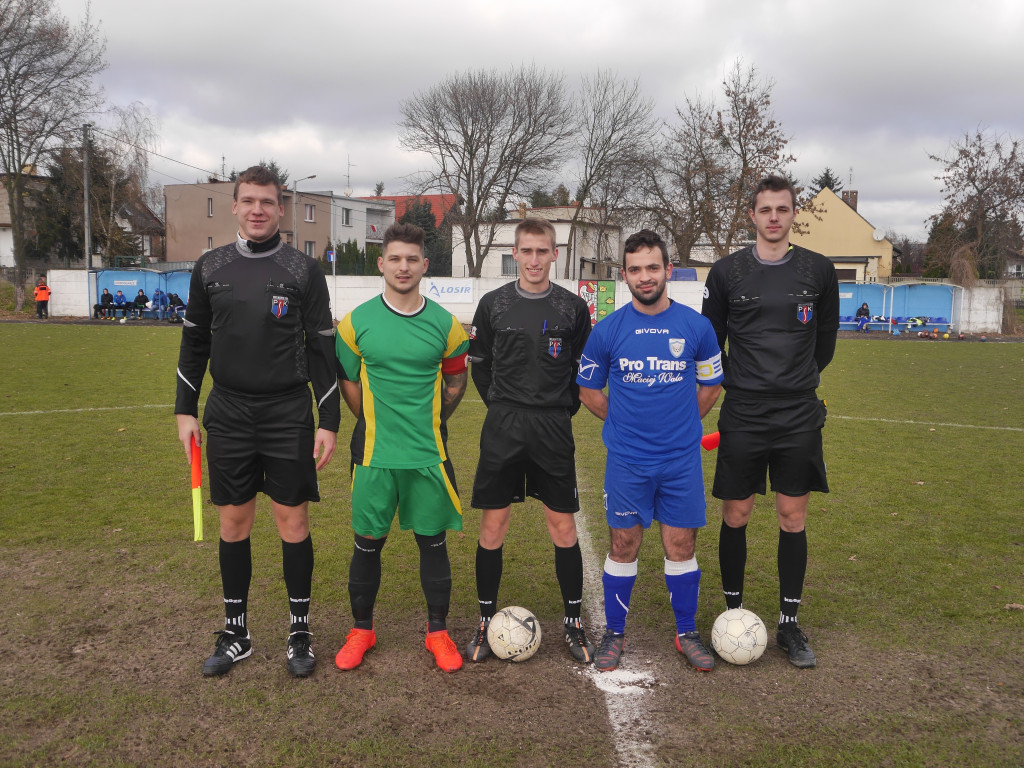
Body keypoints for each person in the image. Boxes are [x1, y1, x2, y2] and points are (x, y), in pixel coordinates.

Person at [174, 165, 340, 678]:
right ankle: (237, 631)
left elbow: (321, 347)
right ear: (234, 206)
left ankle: (299, 630)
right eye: (248, 201)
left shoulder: (303, 271)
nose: (257, 210)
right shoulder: (209, 266)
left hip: (287, 412)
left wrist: (328, 417)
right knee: (233, 521)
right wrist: (184, 409)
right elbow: (194, 342)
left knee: (292, 522)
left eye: (267, 201)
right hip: (227, 411)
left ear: (281, 207)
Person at [701, 175, 839, 669]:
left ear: (793, 214)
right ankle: (733, 613)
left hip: (798, 413)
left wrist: (793, 382)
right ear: (752, 215)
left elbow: (824, 345)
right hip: (743, 412)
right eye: (766, 210)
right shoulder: (726, 273)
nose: (774, 217)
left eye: (783, 209)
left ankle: (788, 624)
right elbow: (710, 347)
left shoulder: (819, 271)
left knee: (791, 517)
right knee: (735, 514)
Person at [577, 229, 724, 673]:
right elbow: (587, 390)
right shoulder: (608, 330)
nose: (645, 277)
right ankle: (615, 634)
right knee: (623, 544)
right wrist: (624, 424)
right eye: (636, 269)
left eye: (653, 268)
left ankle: (686, 632)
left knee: (681, 544)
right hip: (627, 460)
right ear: (625, 275)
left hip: (680, 460)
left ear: (667, 271)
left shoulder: (697, 327)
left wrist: (681, 425)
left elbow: (711, 383)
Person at [333, 222, 469, 673]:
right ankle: (361, 629)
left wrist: (430, 423)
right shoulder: (355, 324)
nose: (403, 266)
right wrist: (376, 423)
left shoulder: (446, 326)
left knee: (433, 546)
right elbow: (349, 383)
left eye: (412, 259)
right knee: (367, 545)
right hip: (373, 455)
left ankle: (438, 633)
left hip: (427, 455)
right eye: (395, 258)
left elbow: (455, 381)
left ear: (425, 265)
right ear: (381, 264)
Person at [465, 217, 595, 664]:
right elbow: (478, 364)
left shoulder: (573, 308)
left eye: (544, 251)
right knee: (493, 526)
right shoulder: (493, 304)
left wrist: (561, 410)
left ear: (554, 255)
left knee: (562, 527)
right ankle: (484, 622)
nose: (535, 259)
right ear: (515, 254)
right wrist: (501, 405)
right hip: (503, 426)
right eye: (527, 251)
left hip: (552, 428)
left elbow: (586, 368)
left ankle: (574, 624)